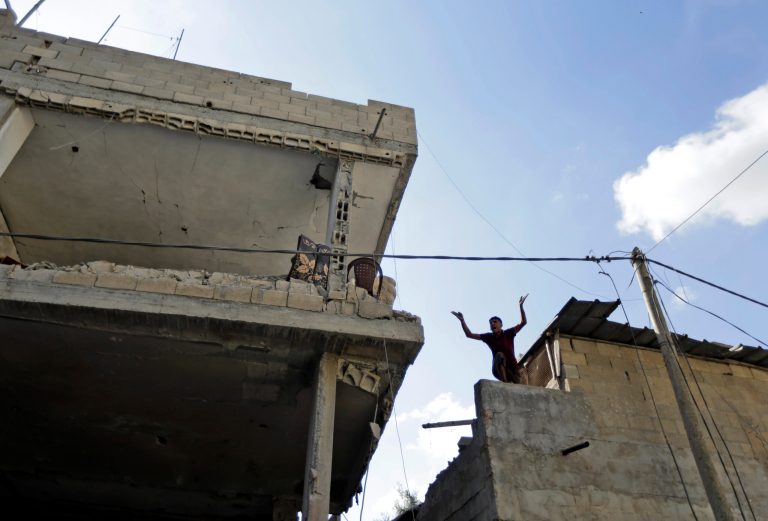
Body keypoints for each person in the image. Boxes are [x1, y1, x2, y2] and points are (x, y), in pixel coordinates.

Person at [451, 295, 528, 383]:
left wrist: (521, 306)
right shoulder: (489, 337)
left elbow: (523, 322)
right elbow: (469, 334)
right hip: (498, 369)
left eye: (495, 322)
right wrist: (462, 321)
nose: (492, 324)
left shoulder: (509, 333)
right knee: (499, 355)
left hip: (513, 371)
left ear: (501, 325)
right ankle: (504, 382)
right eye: (491, 323)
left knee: (519, 384)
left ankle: (510, 381)